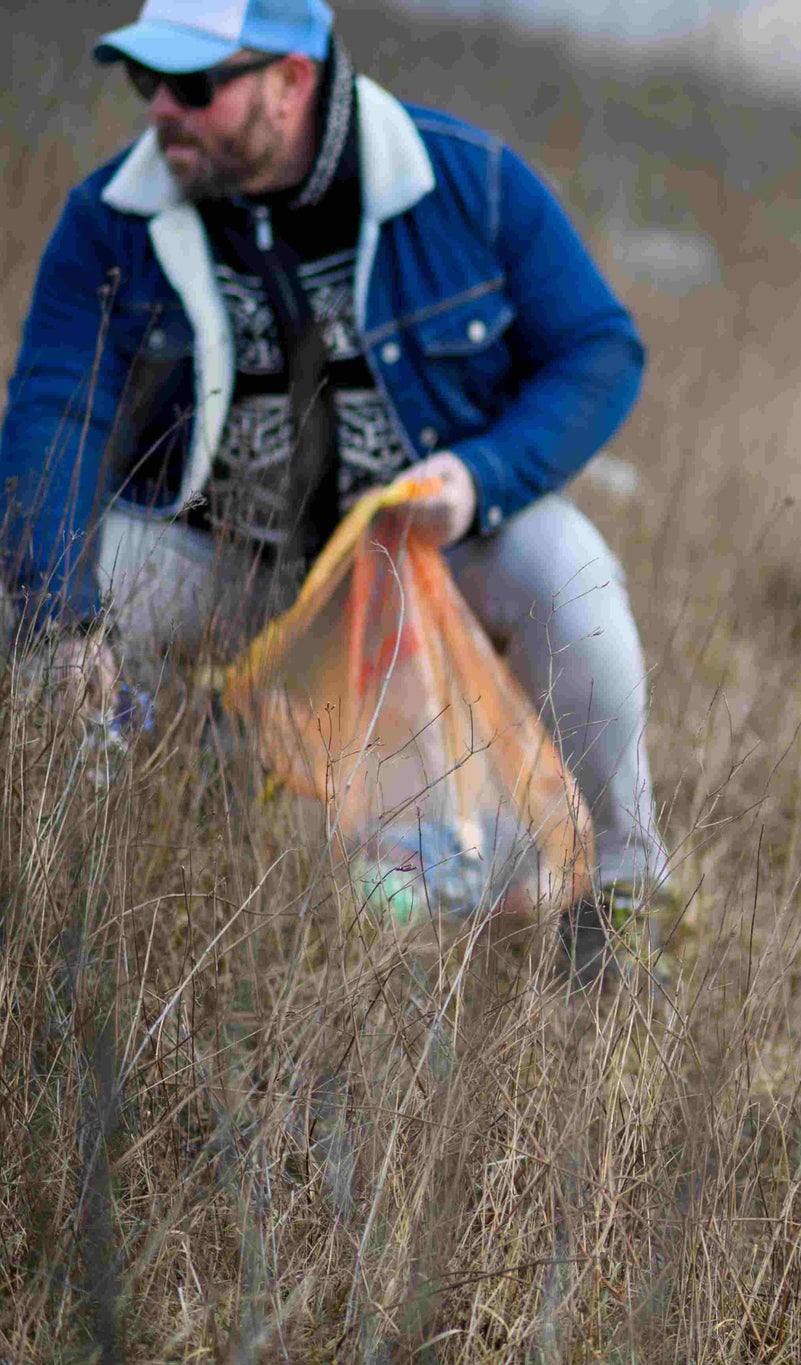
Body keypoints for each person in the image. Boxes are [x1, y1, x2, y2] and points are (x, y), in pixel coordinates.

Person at [0, 0, 668, 978]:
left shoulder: (467, 182)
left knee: (569, 571)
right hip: (221, 559)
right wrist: (60, 622)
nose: (161, 113)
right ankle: (83, 914)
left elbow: (597, 351)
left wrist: (479, 479)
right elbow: (59, 412)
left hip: (423, 550)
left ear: (293, 79)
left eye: (193, 87)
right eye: (148, 83)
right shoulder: (111, 220)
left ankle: (619, 896)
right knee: (25, 604)